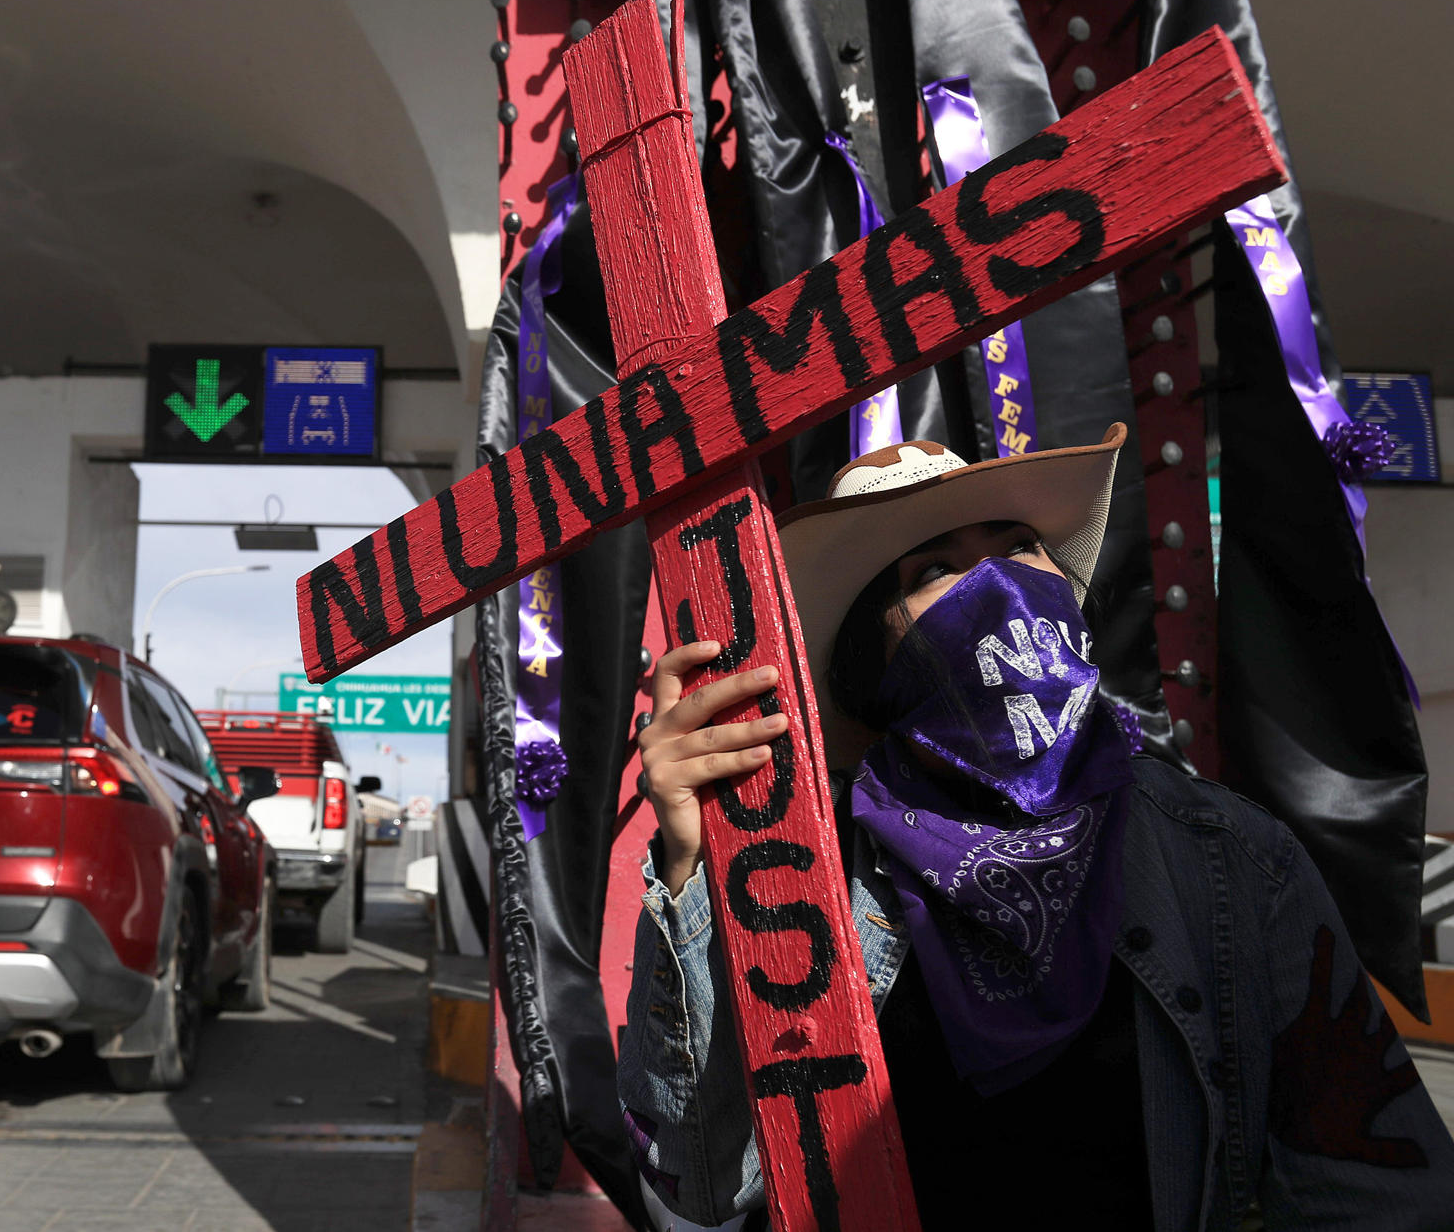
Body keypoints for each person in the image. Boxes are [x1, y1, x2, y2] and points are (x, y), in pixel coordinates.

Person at [620, 425, 1454, 1231]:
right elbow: (702, 1182)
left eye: (1016, 545)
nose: (997, 585)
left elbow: (1374, 1185)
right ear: (877, 661)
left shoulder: (1229, 857)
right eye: (936, 567)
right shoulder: (806, 863)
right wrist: (693, 866)